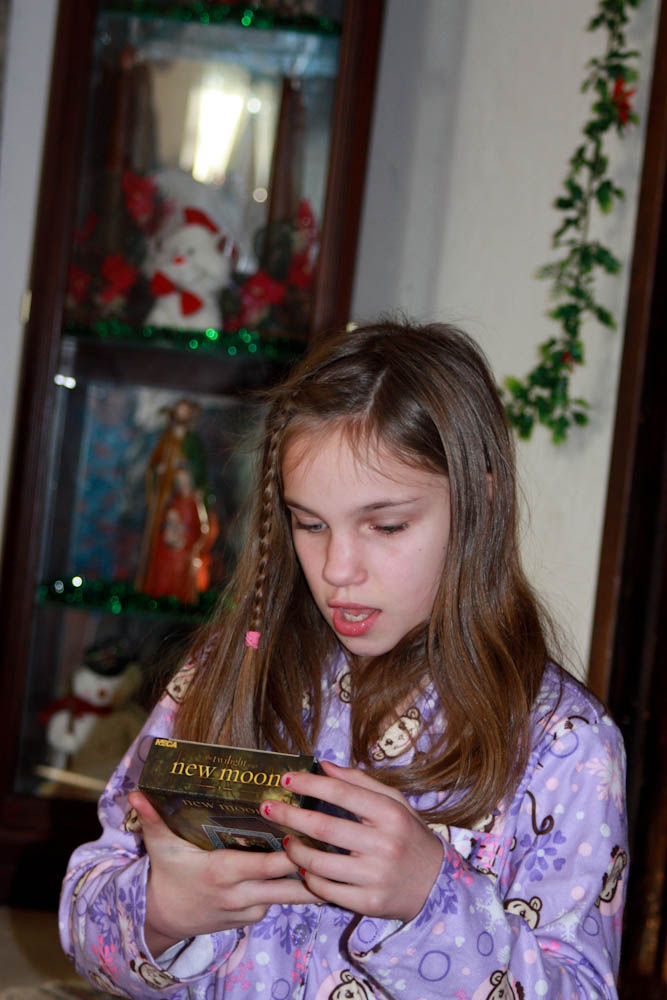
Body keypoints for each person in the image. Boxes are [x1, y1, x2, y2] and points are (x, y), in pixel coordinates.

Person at [59, 320, 628, 1000]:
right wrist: (159, 913)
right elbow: (85, 910)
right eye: (310, 523)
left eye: (385, 526)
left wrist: (429, 899)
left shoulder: (565, 743)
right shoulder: (227, 671)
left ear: (480, 499)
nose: (337, 569)